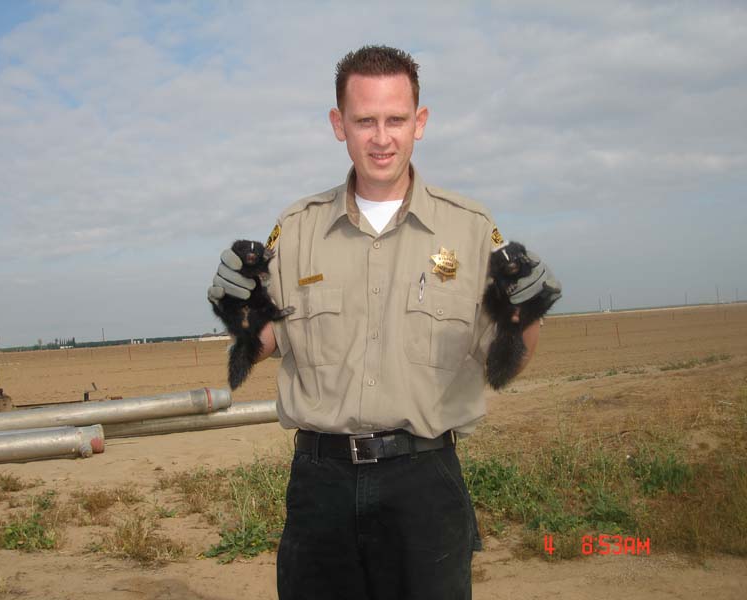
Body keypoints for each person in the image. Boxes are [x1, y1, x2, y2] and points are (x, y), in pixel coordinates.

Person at [208, 45, 560, 600]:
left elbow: (505, 360)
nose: (381, 137)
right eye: (364, 120)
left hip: (425, 482)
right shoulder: (295, 229)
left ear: (420, 122)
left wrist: (524, 314)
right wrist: (237, 307)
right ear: (337, 124)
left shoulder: (470, 228)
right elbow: (261, 344)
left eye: (396, 119)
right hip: (319, 486)